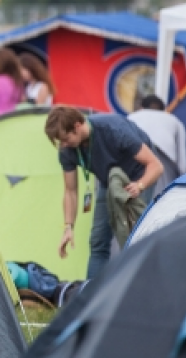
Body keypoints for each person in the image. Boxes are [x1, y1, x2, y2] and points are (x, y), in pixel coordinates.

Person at [45, 106, 164, 279]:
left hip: (138, 175)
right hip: (109, 180)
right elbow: (70, 191)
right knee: (98, 241)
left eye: (65, 139)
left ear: (78, 125)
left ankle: (140, 289)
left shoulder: (114, 130)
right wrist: (68, 227)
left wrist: (139, 185)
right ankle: (91, 297)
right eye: (59, 141)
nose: (63, 145)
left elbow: (156, 166)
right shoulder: (67, 150)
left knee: (135, 239)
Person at [127, 95, 186, 194]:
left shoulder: (131, 117)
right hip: (164, 164)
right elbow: (182, 162)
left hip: (137, 160)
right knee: (162, 200)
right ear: (164, 110)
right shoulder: (174, 121)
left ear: (141, 108)